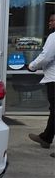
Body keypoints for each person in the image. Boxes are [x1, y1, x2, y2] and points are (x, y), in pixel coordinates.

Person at [28, 14, 55, 158]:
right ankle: (46, 138)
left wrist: (32, 66)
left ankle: (46, 138)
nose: (49, 23)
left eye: (52, 20)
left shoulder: (53, 36)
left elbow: (46, 56)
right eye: (49, 20)